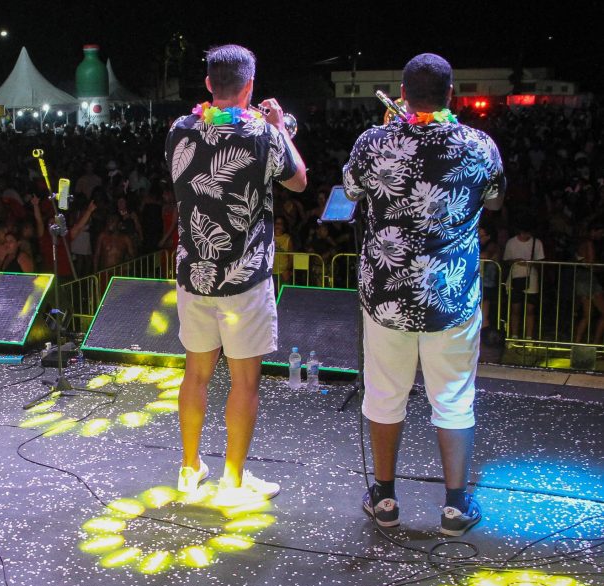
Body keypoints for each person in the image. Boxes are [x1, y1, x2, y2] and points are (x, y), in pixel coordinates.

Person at [343, 52, 504, 537]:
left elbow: (350, 189)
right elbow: (494, 197)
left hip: (387, 295)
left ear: (403, 92)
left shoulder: (375, 141)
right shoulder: (477, 143)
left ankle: (385, 498)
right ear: (451, 94)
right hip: (450, 294)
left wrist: (387, 135)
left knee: (385, 394)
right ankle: (455, 507)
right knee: (453, 398)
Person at [167, 44, 306, 504]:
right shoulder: (262, 133)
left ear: (208, 84)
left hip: (195, 276)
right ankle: (233, 477)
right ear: (249, 85)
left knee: (196, 374)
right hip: (244, 279)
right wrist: (281, 127)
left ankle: (189, 469)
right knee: (244, 382)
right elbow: (298, 179)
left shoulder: (179, 130)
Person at [502, 218, 545, 340]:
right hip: (515, 277)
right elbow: (506, 260)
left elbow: (541, 261)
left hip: (532, 278)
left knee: (530, 309)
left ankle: (529, 337)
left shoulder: (537, 243)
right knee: (515, 308)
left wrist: (530, 263)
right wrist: (515, 261)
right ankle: (514, 335)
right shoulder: (511, 242)